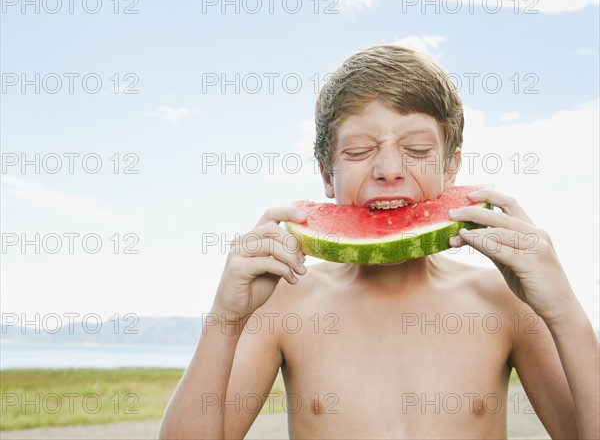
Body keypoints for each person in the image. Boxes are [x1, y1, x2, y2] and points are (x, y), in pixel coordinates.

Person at [159, 45, 599, 439]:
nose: (390, 168)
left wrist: (564, 312)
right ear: (327, 175)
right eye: (358, 152)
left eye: (418, 150)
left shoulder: (506, 302)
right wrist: (225, 320)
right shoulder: (283, 304)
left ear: (451, 170)